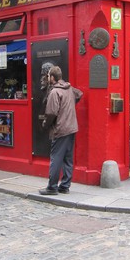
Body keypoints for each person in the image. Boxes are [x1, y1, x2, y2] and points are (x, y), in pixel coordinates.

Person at [39, 66, 83, 195]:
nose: (47, 78)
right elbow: (79, 94)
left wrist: (45, 124)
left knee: (56, 158)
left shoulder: (54, 92)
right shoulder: (69, 88)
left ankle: (52, 187)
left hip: (61, 129)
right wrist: (69, 106)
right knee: (68, 158)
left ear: (52, 78)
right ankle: (65, 186)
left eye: (48, 76)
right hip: (72, 127)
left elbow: (51, 112)